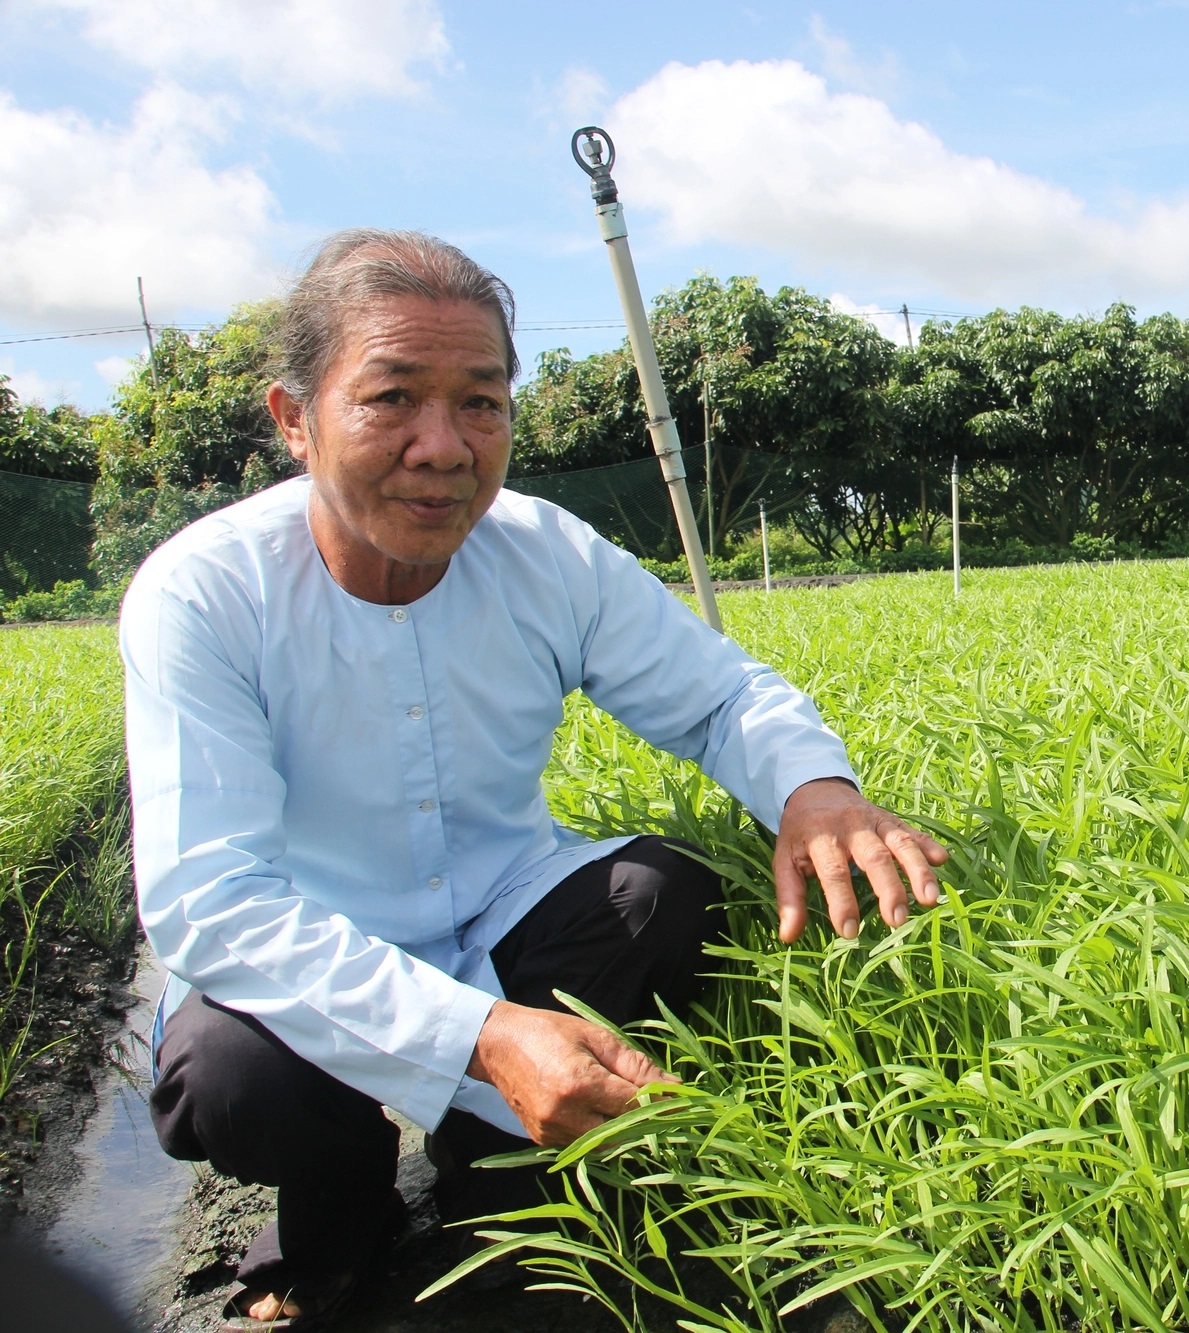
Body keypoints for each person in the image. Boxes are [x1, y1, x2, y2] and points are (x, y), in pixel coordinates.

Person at [122, 230, 949, 1330]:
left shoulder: (545, 553)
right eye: (391, 399)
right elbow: (210, 900)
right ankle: (343, 1211)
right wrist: (479, 1035)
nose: (444, 446)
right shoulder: (204, 594)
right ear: (293, 419)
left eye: (481, 401)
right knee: (235, 1072)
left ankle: (491, 1180)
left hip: (499, 908)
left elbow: (715, 696)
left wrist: (816, 792)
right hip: (310, 943)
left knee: (662, 894)